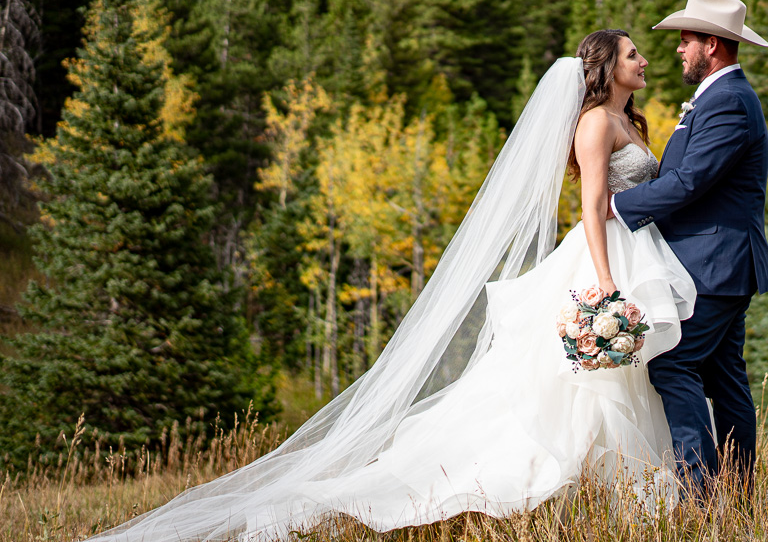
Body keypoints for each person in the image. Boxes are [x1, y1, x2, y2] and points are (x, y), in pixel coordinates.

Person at [88, 28, 699, 541]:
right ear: (605, 68)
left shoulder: (626, 117)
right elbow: (593, 207)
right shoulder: (595, 123)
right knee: (569, 385)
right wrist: (604, 283)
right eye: (632, 55)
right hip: (604, 258)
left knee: (616, 380)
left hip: (634, 248)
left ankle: (609, 504)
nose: (644, 61)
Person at [612, 0, 768, 498]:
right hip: (716, 264)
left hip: (715, 264)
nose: (678, 51)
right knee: (725, 380)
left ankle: (700, 497)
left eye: (686, 41)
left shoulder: (728, 102)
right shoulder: (721, 97)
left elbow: (690, 181)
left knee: (673, 362)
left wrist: (617, 208)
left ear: (715, 45)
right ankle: (738, 497)